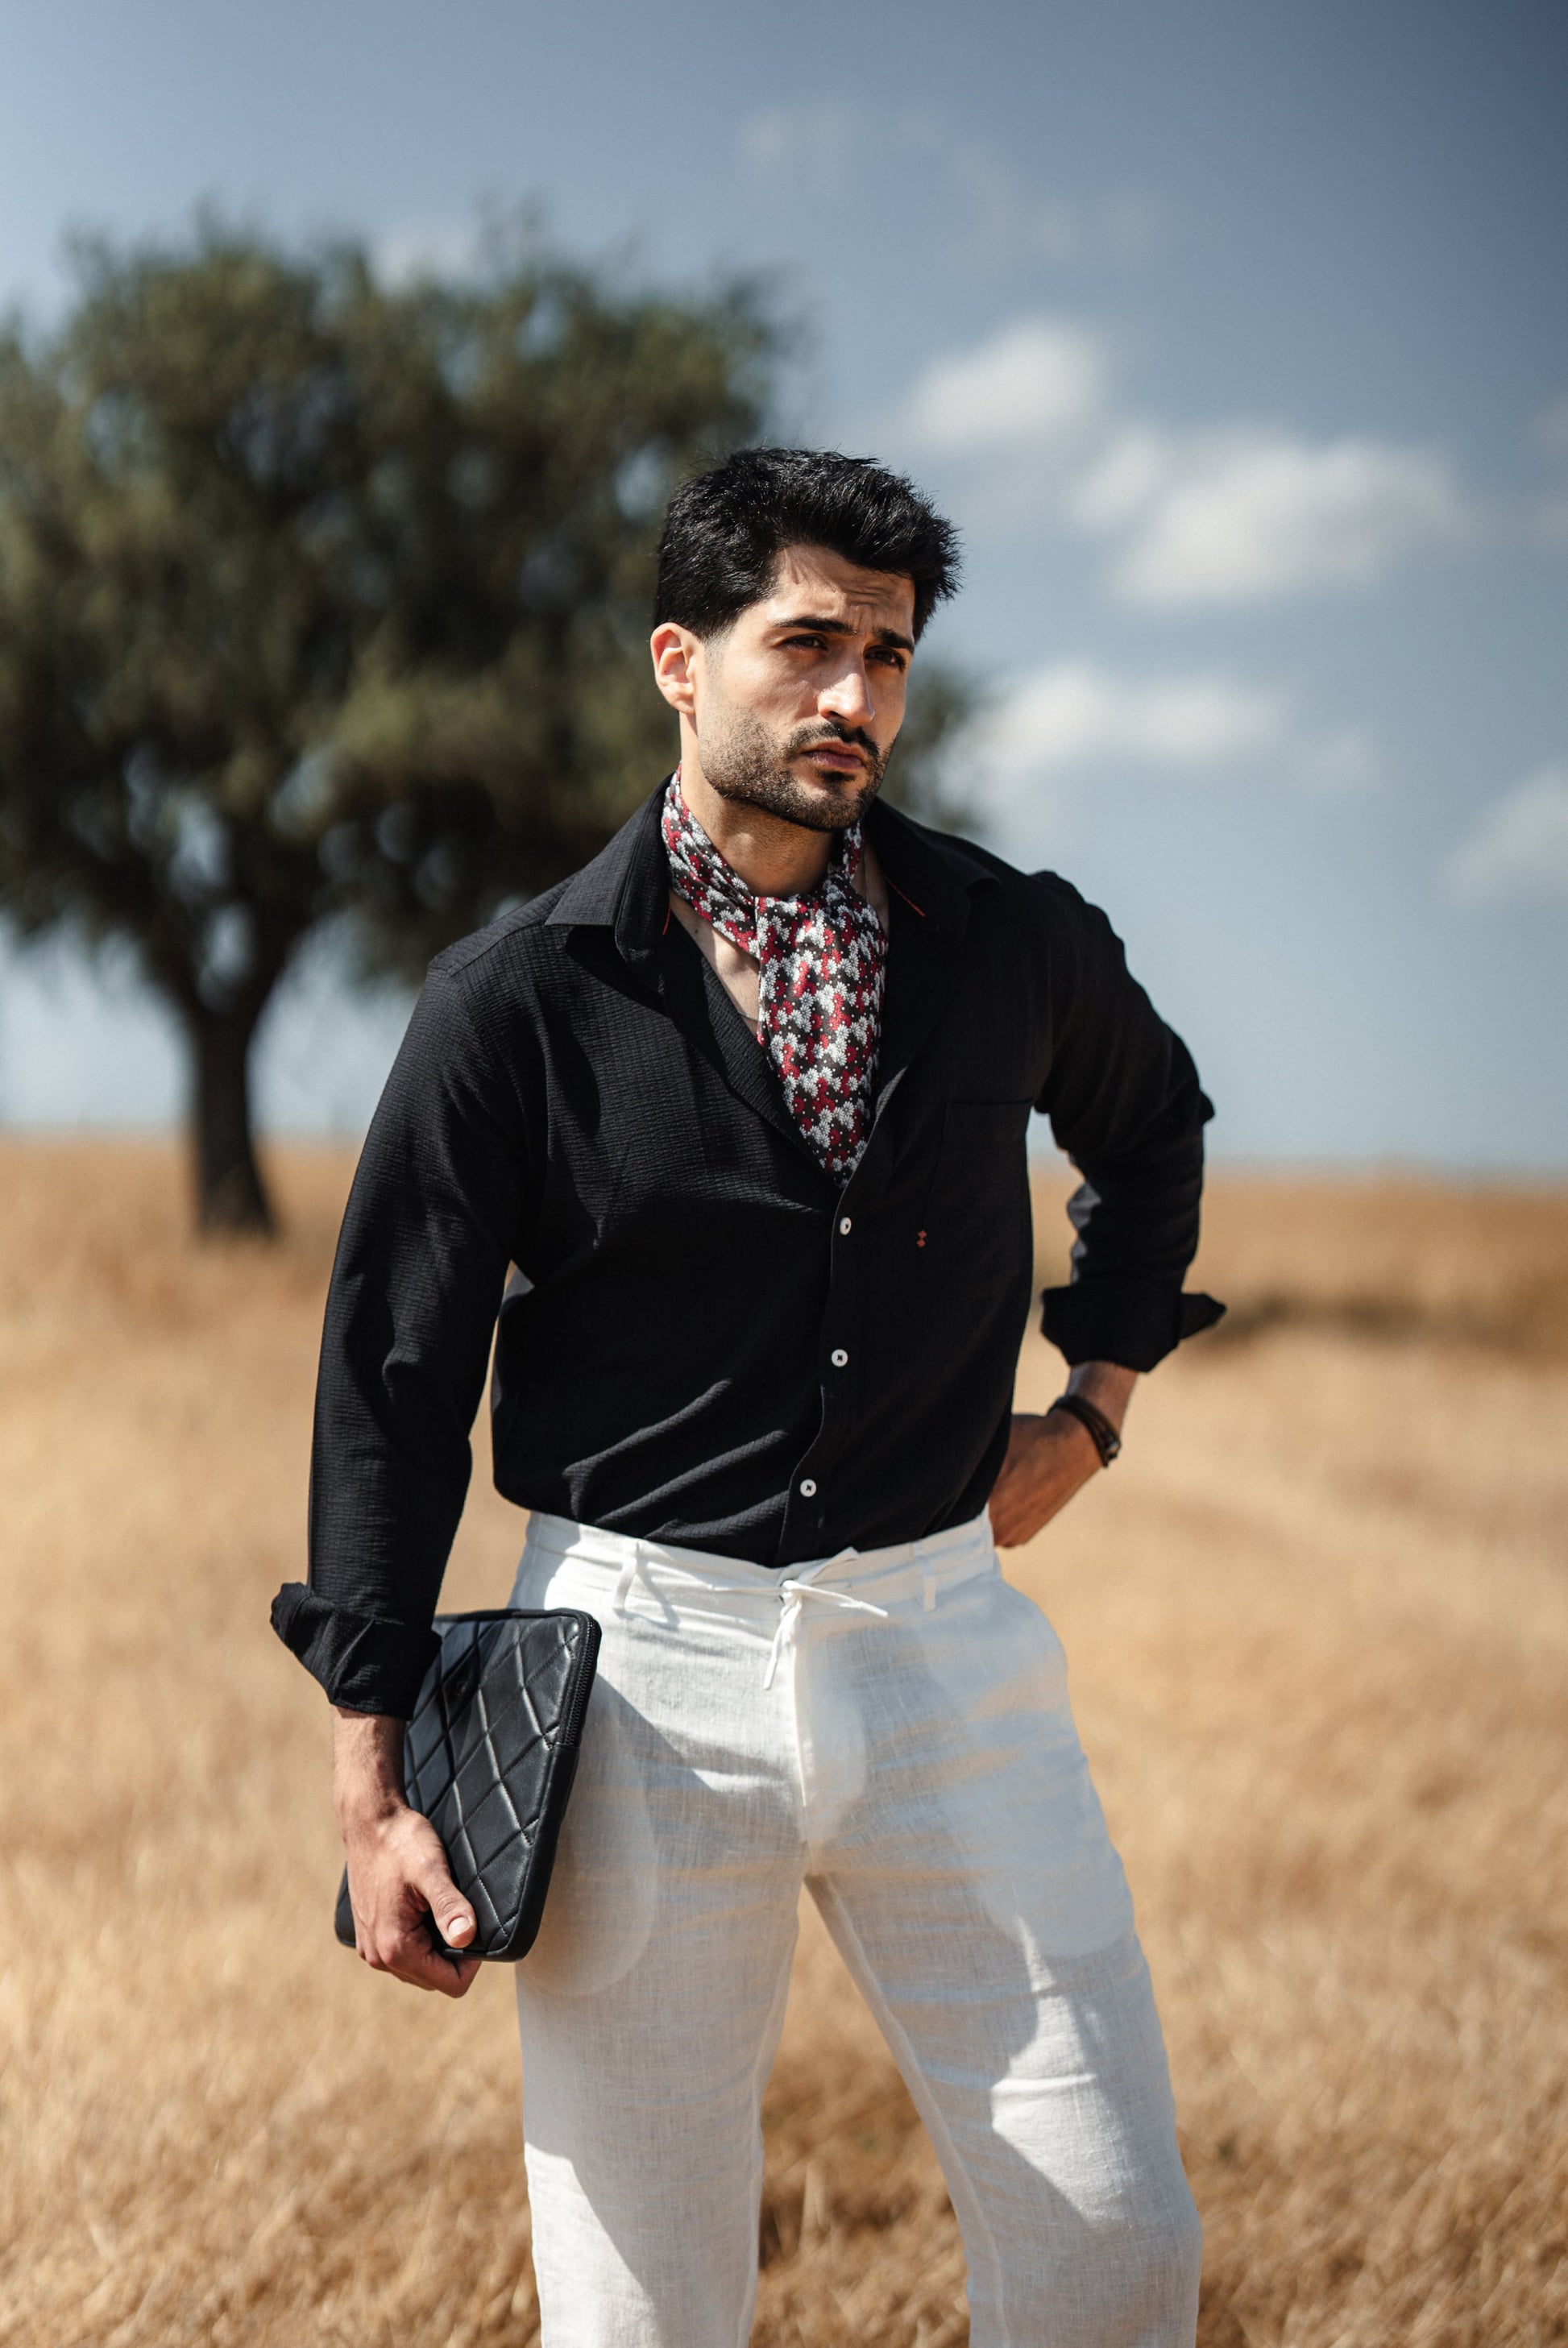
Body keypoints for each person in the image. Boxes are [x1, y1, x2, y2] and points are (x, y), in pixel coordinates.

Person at [272, 447, 1223, 2348]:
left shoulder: (1006, 936)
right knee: (641, 2316)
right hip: (637, 1677)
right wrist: (375, 1784)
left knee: (1118, 2246)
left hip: (944, 1645)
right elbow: (392, 1375)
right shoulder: (516, 997)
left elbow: (1154, 1121)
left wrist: (1093, 1401)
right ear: (677, 662)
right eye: (807, 641)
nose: (854, 694)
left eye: (887, 652)